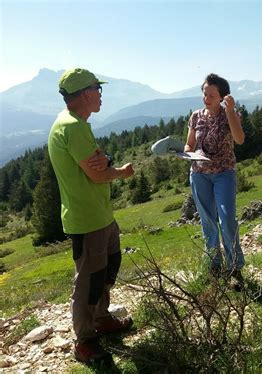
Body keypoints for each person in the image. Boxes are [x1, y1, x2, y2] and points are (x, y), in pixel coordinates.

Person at [48, 68, 135, 364]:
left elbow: (96, 165)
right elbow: (97, 176)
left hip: (100, 216)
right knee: (89, 280)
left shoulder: (75, 124)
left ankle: (102, 318)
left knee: (108, 268)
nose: (100, 95)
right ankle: (84, 341)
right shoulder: (72, 127)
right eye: (98, 89)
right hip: (87, 220)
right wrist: (121, 172)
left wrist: (105, 162)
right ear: (85, 93)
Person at [184, 73, 245, 289]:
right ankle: (214, 264)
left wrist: (230, 112)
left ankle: (234, 267)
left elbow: (239, 139)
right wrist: (187, 153)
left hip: (223, 173)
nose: (206, 98)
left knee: (227, 219)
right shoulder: (195, 116)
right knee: (207, 221)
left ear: (222, 96)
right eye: (204, 93)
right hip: (199, 173)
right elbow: (189, 144)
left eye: (211, 94)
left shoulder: (230, 114)